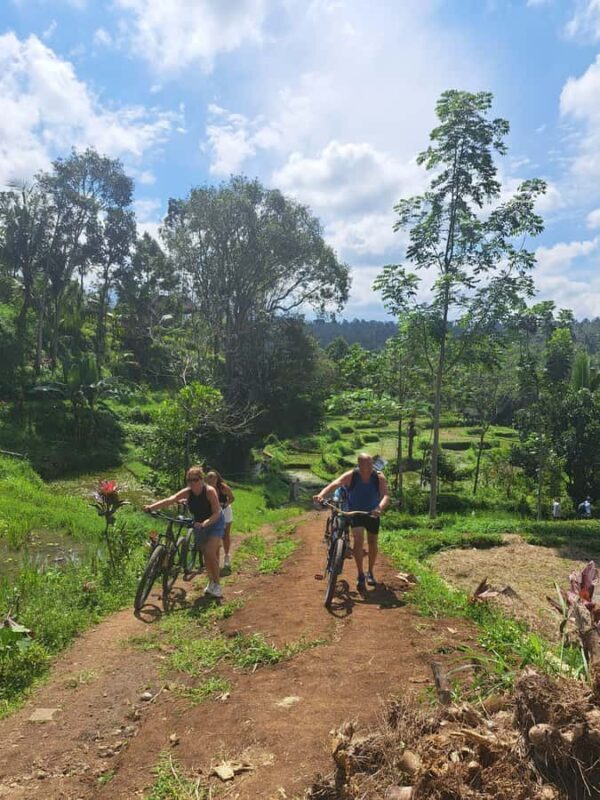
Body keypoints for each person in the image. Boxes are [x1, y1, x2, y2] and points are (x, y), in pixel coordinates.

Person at [143, 466, 225, 598]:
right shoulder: (188, 492)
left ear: (201, 479)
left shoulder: (210, 491)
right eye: (189, 480)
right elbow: (171, 499)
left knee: (210, 552)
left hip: (215, 523)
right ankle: (211, 582)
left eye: (195, 480)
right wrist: (151, 507)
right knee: (206, 555)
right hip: (199, 524)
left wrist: (205, 523)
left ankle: (217, 585)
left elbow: (216, 513)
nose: (192, 483)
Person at [314, 453, 390, 591]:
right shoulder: (351, 475)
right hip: (355, 512)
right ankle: (360, 574)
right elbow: (335, 484)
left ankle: (370, 572)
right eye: (364, 464)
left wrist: (379, 508)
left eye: (370, 464)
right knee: (358, 540)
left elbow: (385, 495)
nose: (368, 467)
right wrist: (322, 494)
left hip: (372, 513)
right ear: (359, 465)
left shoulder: (379, 477)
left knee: (373, 543)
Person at [205, 470, 235, 569]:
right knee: (213, 536)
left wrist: (225, 504)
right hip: (213, 512)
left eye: (213, 481)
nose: (211, 484)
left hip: (225, 511)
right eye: (209, 481)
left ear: (217, 479)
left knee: (225, 535)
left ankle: (226, 556)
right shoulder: (205, 489)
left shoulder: (223, 487)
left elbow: (232, 498)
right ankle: (214, 560)